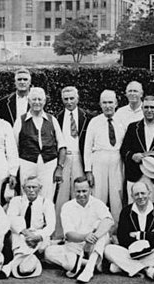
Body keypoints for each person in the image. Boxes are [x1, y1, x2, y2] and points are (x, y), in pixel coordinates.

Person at [44, 177, 114, 283]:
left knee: (101, 228)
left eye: (84, 191)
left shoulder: (97, 203)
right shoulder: (67, 206)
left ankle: (89, 269)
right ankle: (89, 263)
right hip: (75, 245)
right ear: (74, 191)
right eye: (78, 191)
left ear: (90, 190)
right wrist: (85, 237)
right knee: (48, 253)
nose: (81, 194)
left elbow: (109, 221)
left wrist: (93, 237)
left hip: (94, 245)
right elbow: (69, 235)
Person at [104, 181, 154, 280]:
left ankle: (123, 267)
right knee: (108, 249)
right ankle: (146, 270)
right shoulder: (126, 211)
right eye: (137, 194)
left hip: (150, 252)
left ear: (149, 193)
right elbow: (123, 238)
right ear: (132, 196)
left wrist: (138, 235)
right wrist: (147, 237)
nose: (140, 197)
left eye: (143, 193)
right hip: (129, 252)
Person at [13, 87, 67, 202]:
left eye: (39, 99)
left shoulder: (52, 120)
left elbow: (62, 146)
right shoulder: (21, 120)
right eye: (34, 99)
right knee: (27, 196)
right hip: (27, 163)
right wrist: (14, 171)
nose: (37, 102)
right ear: (29, 101)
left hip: (48, 165)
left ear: (44, 101)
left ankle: (46, 220)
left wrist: (59, 167)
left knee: (47, 197)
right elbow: (14, 147)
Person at [54, 86, 93, 237]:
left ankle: (81, 232)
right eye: (66, 99)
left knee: (80, 193)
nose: (69, 102)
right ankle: (59, 233)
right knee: (61, 197)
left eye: (72, 98)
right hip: (63, 158)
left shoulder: (87, 117)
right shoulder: (57, 117)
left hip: (80, 158)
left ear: (77, 98)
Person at [84, 90, 126, 222]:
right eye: (104, 103)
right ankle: (97, 227)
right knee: (98, 196)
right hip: (99, 160)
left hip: (117, 160)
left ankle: (117, 229)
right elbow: (87, 147)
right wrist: (88, 170)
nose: (108, 106)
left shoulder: (122, 121)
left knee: (117, 196)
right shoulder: (94, 122)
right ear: (100, 104)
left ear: (116, 103)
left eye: (110, 102)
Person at [1, 176, 56, 278]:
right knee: (17, 230)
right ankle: (23, 260)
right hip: (21, 234)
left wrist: (37, 237)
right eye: (28, 187)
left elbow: (51, 226)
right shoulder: (16, 201)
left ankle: (10, 266)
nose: (31, 190)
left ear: (40, 188)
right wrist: (25, 233)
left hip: (38, 236)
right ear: (23, 188)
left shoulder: (47, 203)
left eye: (34, 187)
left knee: (43, 238)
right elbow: (10, 219)